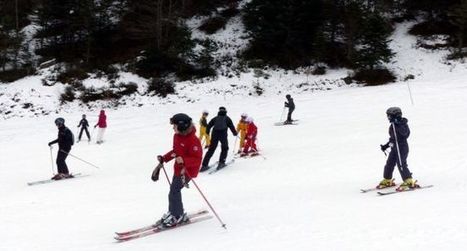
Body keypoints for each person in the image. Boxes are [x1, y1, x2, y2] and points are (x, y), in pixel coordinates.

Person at [155, 113, 202, 227]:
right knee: (174, 191)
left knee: (174, 191)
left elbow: (197, 159)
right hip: (178, 169)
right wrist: (165, 158)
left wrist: (184, 161)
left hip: (187, 171)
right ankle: (175, 213)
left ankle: (177, 216)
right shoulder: (177, 136)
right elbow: (176, 151)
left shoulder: (193, 140)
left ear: (182, 126)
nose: (173, 128)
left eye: (174, 126)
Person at [378, 107, 419, 191]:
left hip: (402, 147)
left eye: (389, 116)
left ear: (395, 115)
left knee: (401, 164)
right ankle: (387, 179)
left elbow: (405, 134)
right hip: (394, 148)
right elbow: (393, 138)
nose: (388, 118)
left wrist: (398, 123)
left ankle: (408, 180)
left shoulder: (403, 124)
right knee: (389, 163)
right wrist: (386, 146)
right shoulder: (392, 126)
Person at [200, 107, 238, 171]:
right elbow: (231, 126)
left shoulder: (215, 118)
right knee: (225, 148)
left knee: (211, 149)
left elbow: (209, 125)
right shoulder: (227, 118)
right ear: (225, 111)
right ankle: (221, 162)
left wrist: (207, 132)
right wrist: (235, 133)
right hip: (223, 135)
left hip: (215, 134)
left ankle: (204, 165)